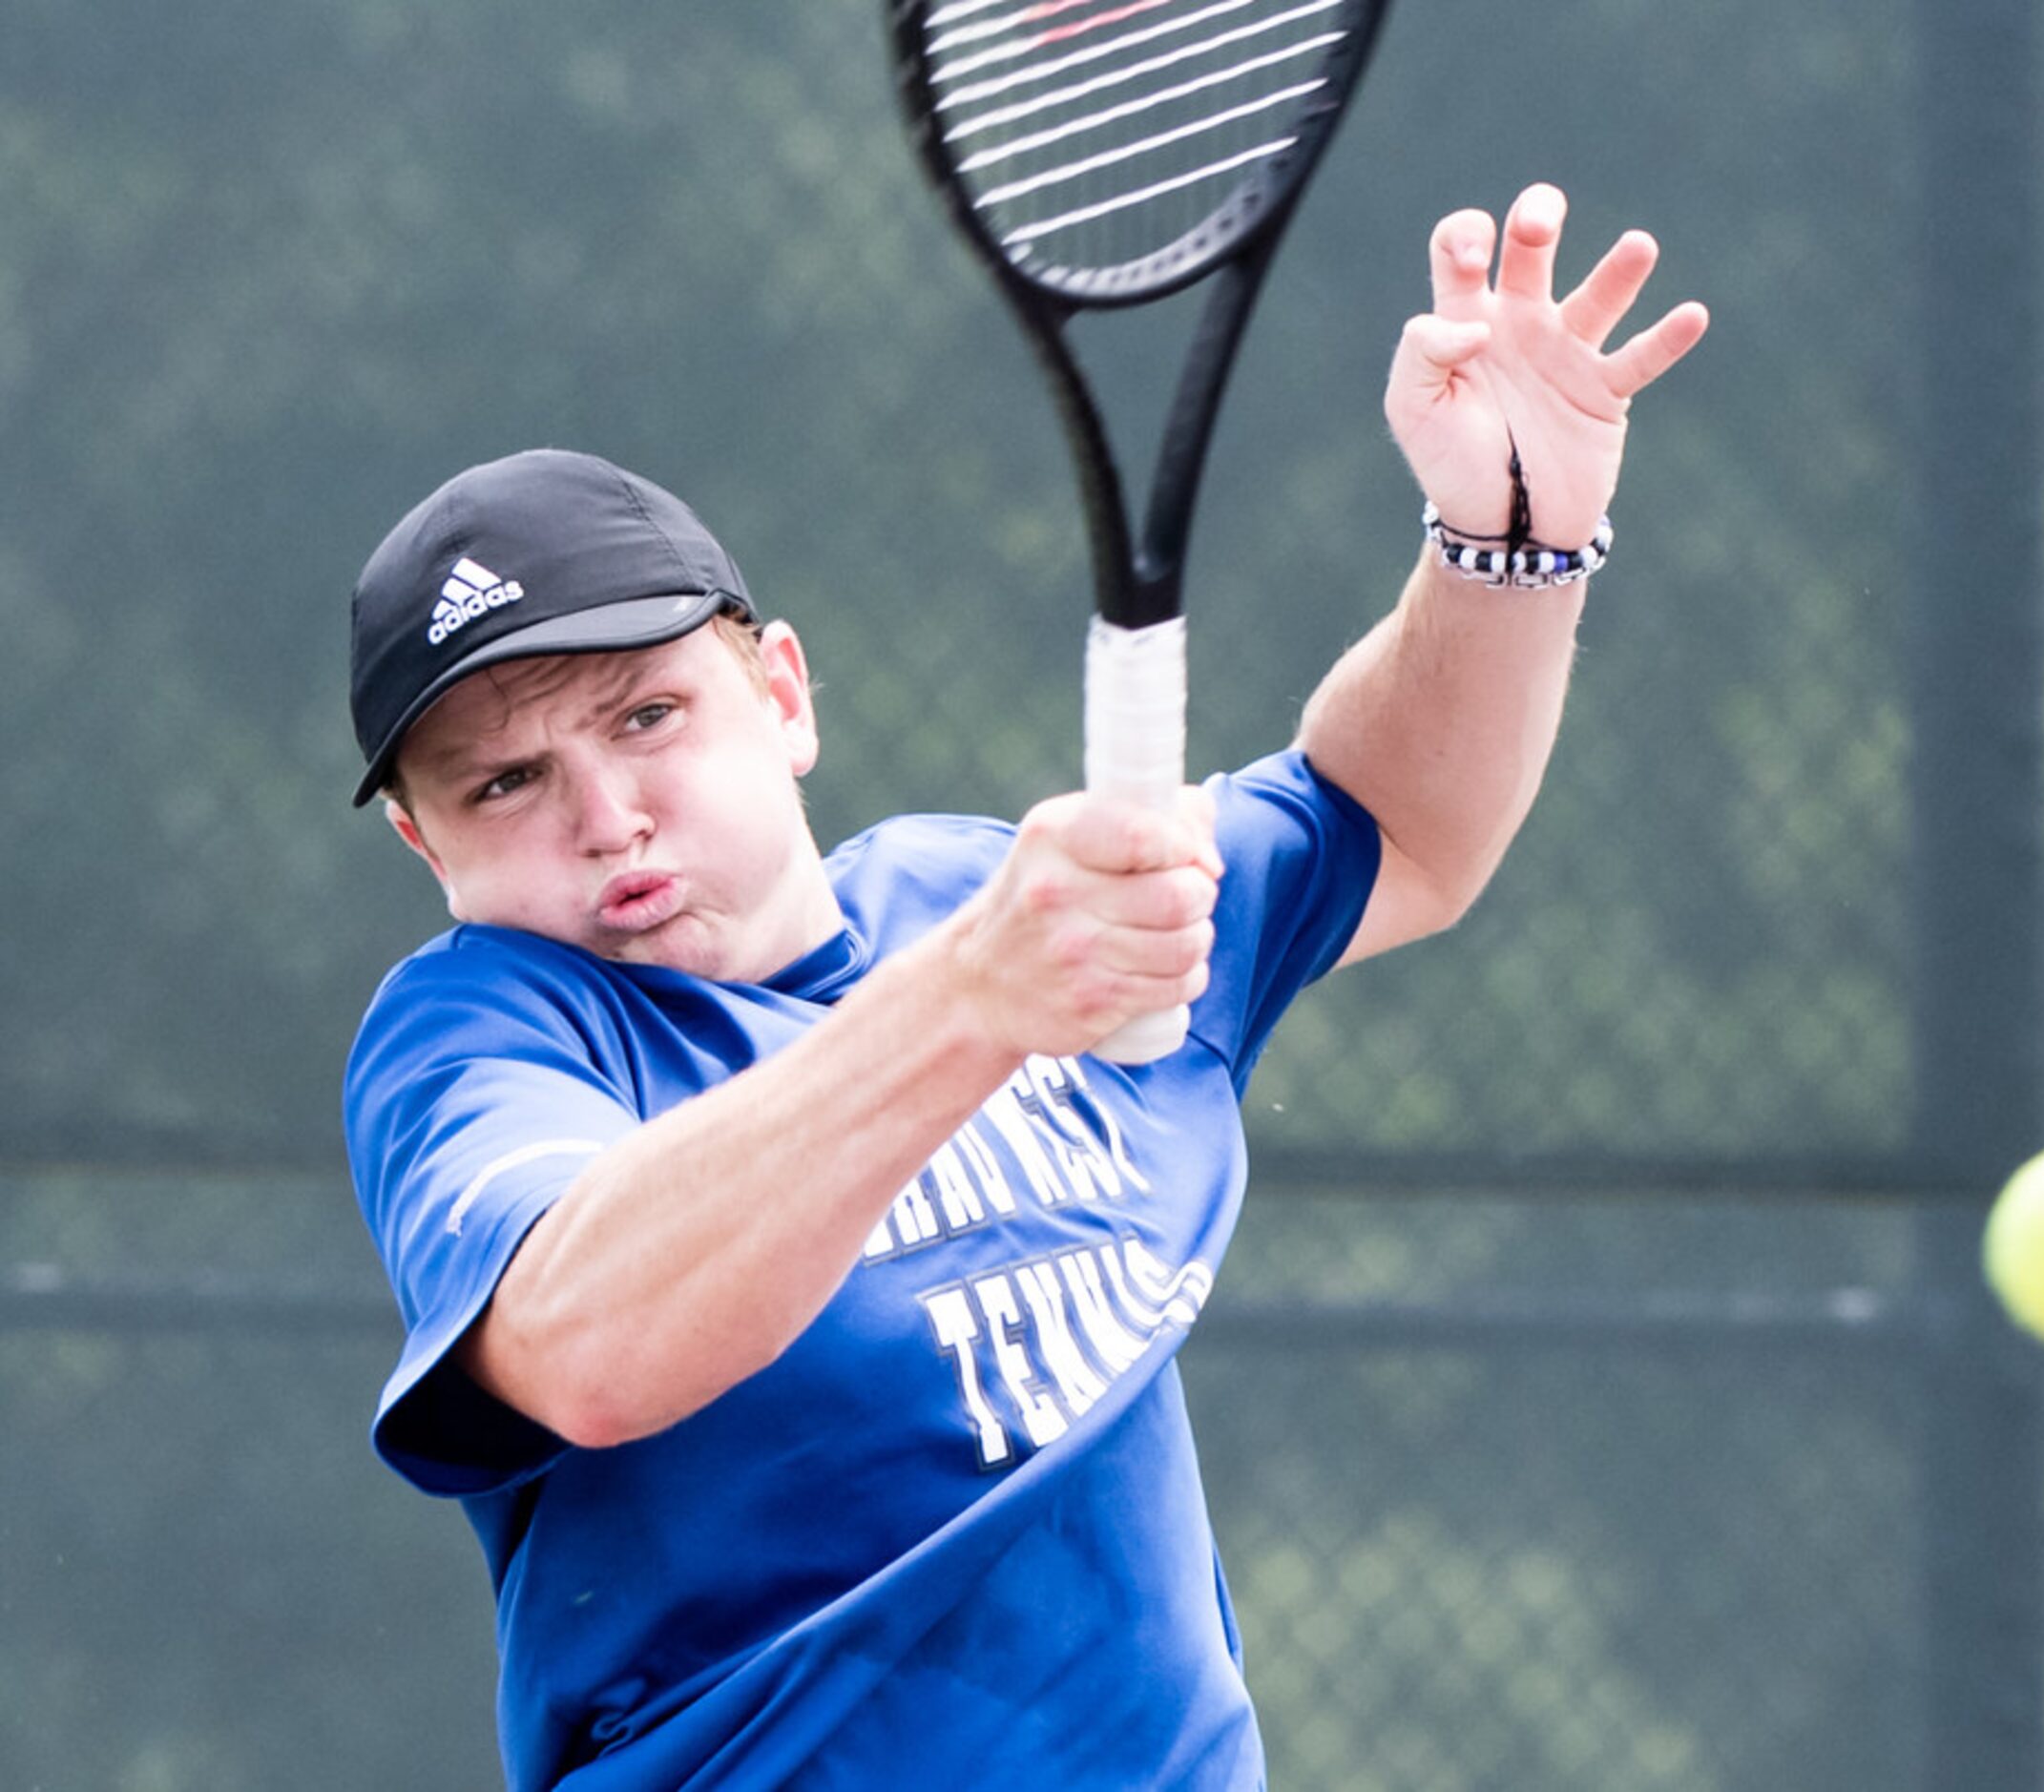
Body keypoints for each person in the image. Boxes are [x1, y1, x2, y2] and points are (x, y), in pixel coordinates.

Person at [344, 182, 1706, 1790]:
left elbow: (1395, 825)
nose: (603, 812)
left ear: (779, 693)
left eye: (647, 716)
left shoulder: (975, 896)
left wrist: (1508, 547)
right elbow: (584, 1346)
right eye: (503, 784)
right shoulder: (481, 1037)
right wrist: (967, 1006)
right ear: (431, 848)